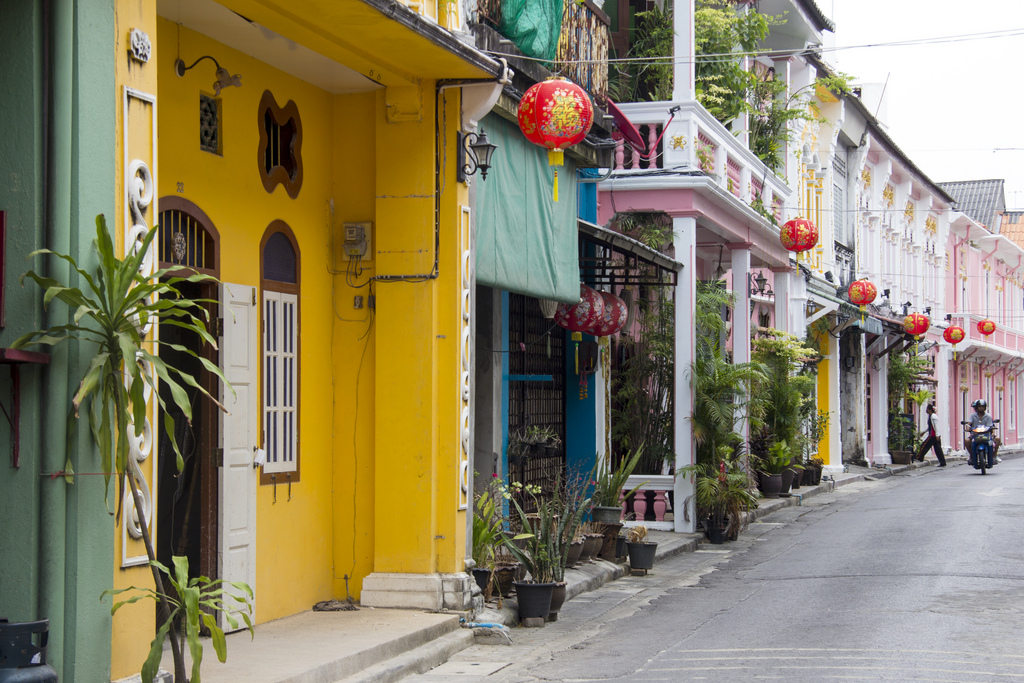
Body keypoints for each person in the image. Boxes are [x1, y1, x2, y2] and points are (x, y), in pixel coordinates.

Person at [965, 399, 1000, 467]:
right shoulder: (972, 416)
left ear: (985, 407)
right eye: (980, 406)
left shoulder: (988, 416)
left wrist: (992, 433)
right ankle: (972, 456)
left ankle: (994, 455)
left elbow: (991, 426)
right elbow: (969, 424)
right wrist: (968, 427)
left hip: (986, 435)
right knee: (967, 441)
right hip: (975, 435)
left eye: (983, 406)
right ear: (977, 407)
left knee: (997, 439)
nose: (981, 408)